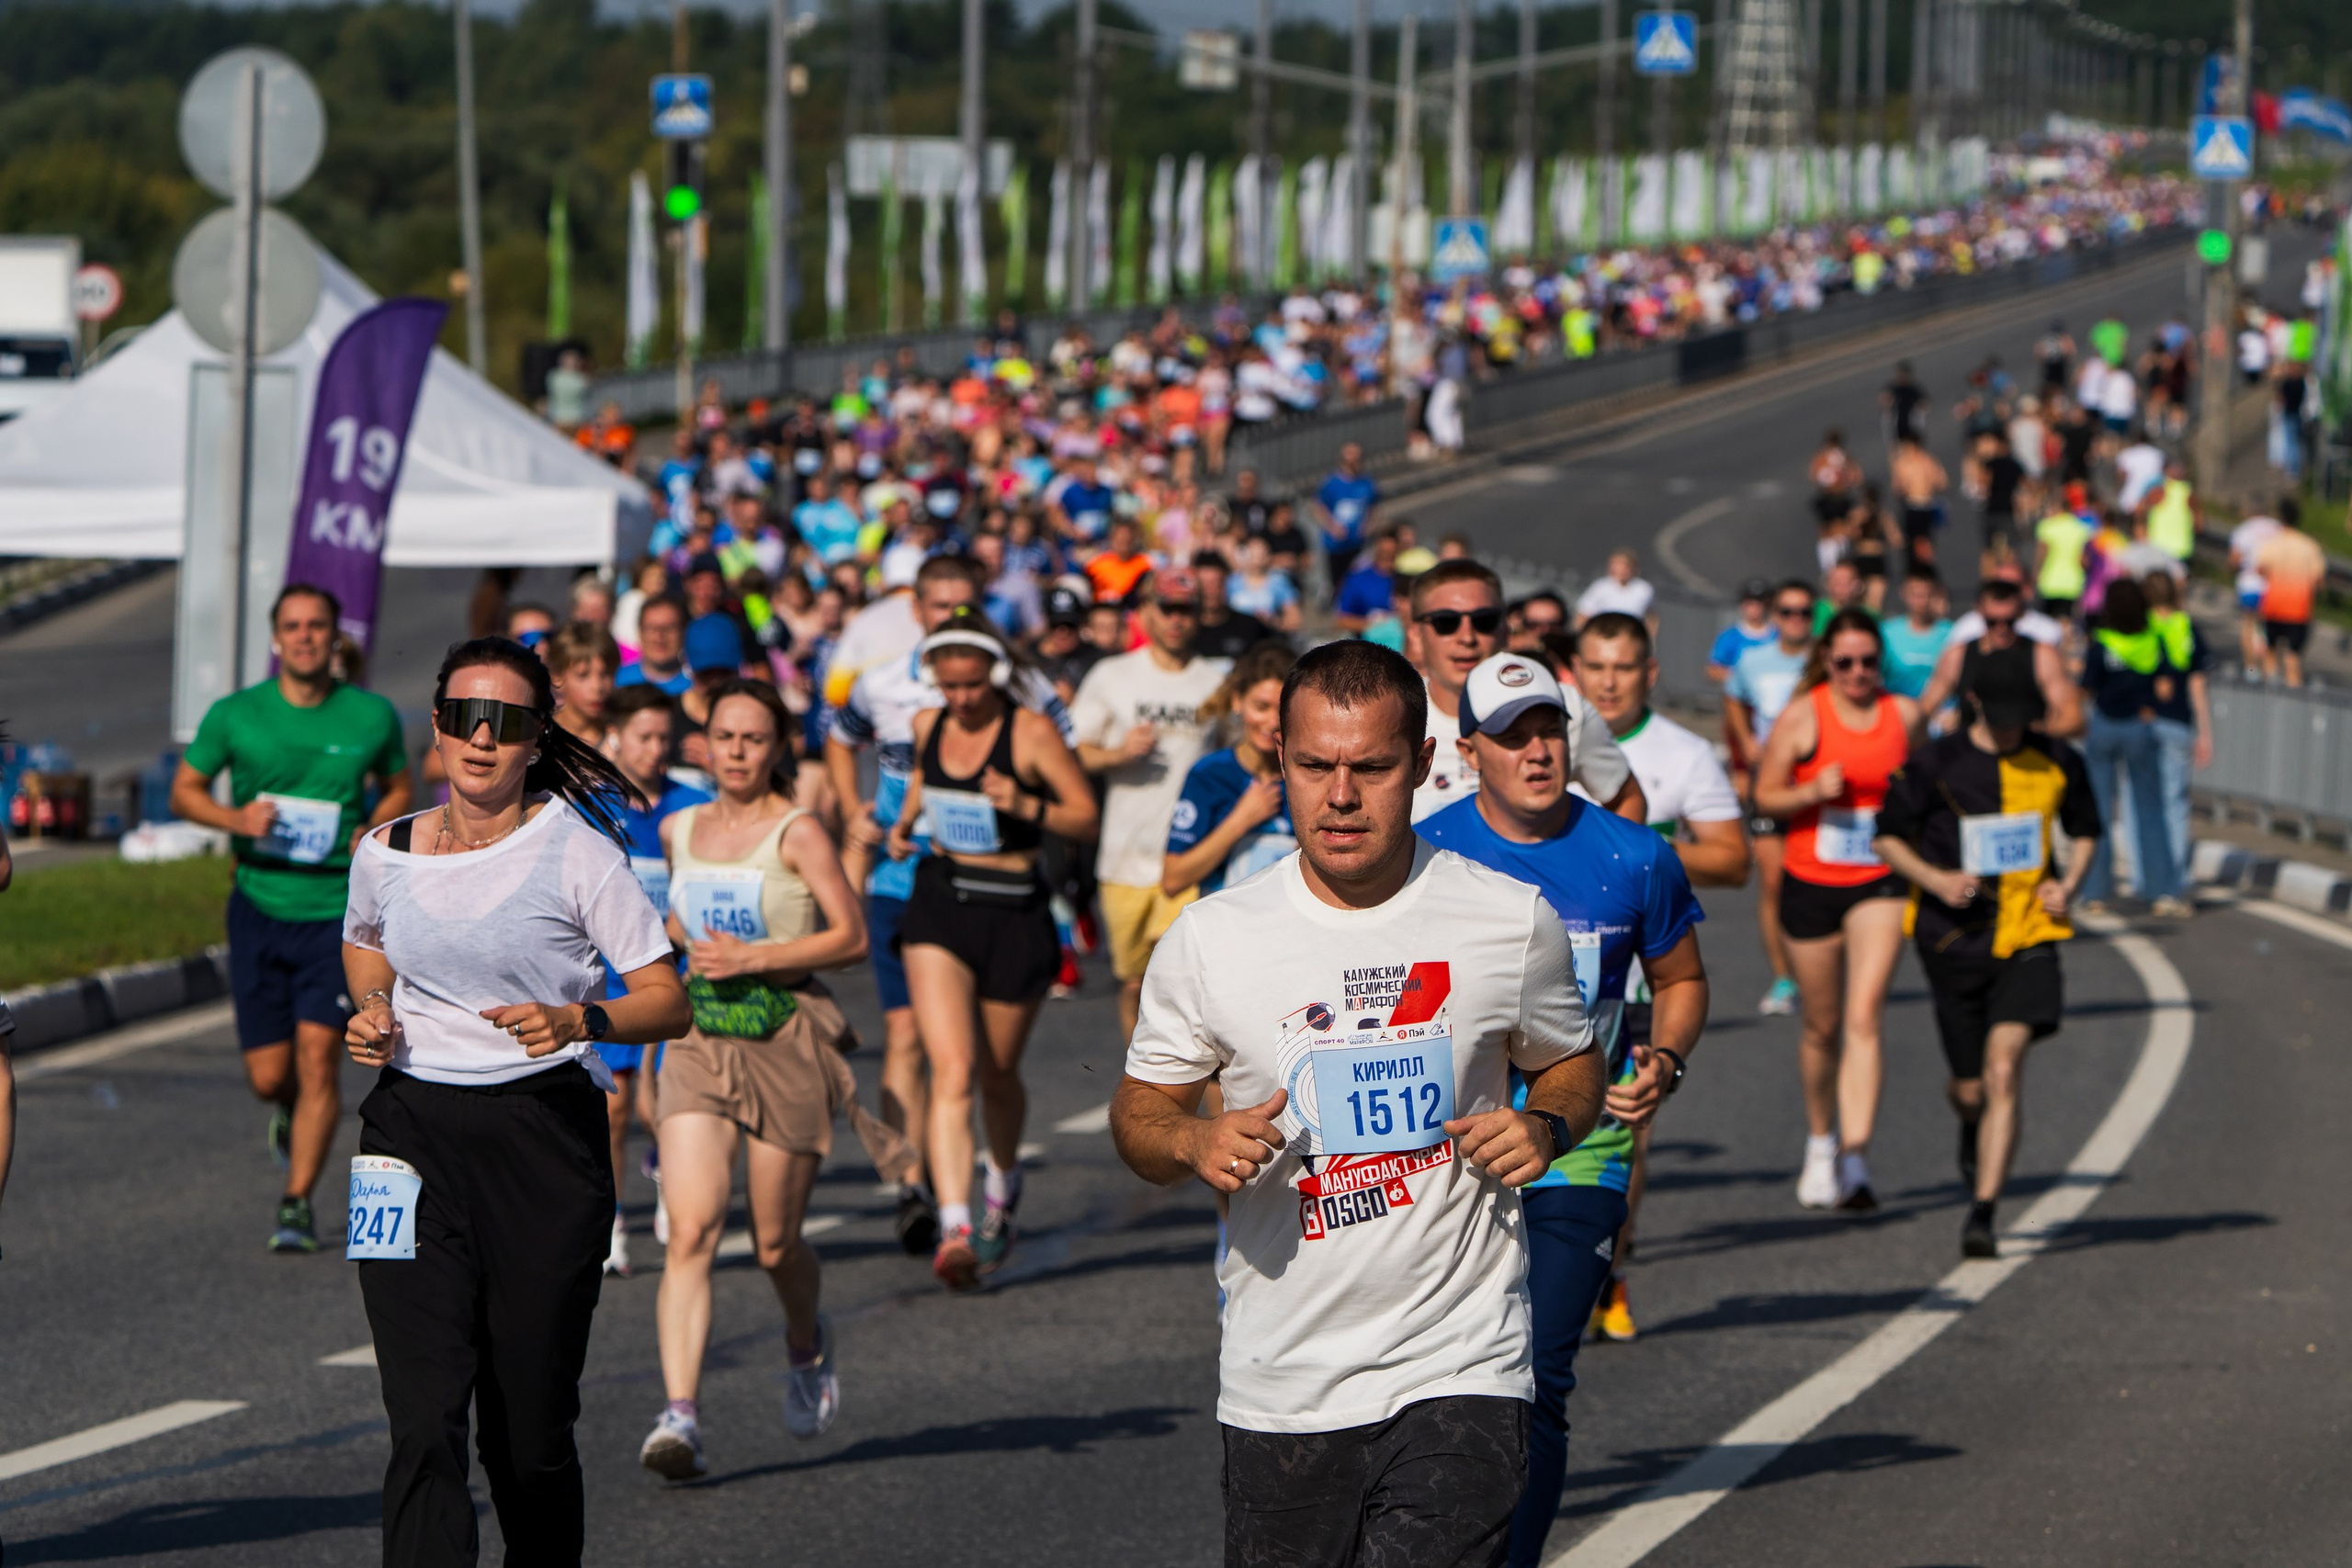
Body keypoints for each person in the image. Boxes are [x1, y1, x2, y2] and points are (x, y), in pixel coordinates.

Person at [1110, 640, 1603, 1567]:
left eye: (1371, 768)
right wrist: (1191, 1139)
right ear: (1281, 760)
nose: (1340, 796)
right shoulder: (1213, 939)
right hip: (1284, 1378)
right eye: (1314, 766)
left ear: (1422, 763)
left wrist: (1546, 1124)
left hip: (1462, 1359)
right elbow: (1140, 1112)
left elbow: (1572, 1061)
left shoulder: (1507, 919)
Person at [341, 637, 689, 1565]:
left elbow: (668, 998)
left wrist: (580, 1018)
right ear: (437, 727)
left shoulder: (578, 854)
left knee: (525, 1436)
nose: (482, 739)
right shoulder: (383, 851)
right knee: (422, 1421)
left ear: (537, 738)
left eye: (506, 723)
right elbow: (366, 940)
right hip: (406, 1133)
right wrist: (372, 1007)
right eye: (465, 718)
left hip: (541, 1139)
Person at [1418, 650, 1709, 1567]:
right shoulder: (1424, 856)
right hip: (1448, 1151)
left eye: (1549, 729)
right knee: (1438, 1382)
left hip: (1580, 1144)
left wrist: (1664, 1059)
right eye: (1512, 736)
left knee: (1537, 1371)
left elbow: (1682, 977)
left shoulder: (1635, 854)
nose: (1537, 751)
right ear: (1471, 751)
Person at [645, 681, 901, 1476]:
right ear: (705, 741)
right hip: (698, 1036)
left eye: (753, 739)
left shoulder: (799, 831)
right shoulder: (679, 827)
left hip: (785, 1036)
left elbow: (851, 936)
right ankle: (680, 1415)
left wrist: (754, 955)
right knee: (691, 1228)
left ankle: (804, 1339)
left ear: (777, 747)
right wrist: (675, 939)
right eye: (725, 736)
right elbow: (677, 920)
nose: (737, 752)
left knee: (773, 1241)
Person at [171, 583, 413, 1252]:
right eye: (294, 626)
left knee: (317, 1058)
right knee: (269, 1076)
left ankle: (297, 1200)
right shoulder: (236, 714)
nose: (306, 636)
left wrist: (375, 823)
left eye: (317, 626)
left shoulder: (370, 715)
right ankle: (285, 1108)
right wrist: (235, 819)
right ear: (276, 639)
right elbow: (185, 791)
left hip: (335, 914)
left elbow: (400, 783)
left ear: (335, 637)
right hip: (259, 905)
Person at [888, 615, 1098, 1289]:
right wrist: (901, 825)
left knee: (997, 1074)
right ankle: (956, 1226)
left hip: (1013, 910)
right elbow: (923, 783)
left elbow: (1084, 815)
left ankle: (1001, 1187)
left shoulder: (1029, 732)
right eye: (948, 685)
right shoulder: (928, 724)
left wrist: (1025, 804)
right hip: (942, 901)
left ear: (996, 675)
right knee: (951, 1070)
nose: (961, 698)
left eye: (972, 684)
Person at [1871, 644, 2100, 1258]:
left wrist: (2068, 885)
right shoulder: (1936, 763)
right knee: (1969, 1087)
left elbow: (2086, 830)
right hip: (1952, 938)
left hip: (2031, 934)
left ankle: (1983, 1211)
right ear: (1973, 701)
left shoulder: (2058, 760)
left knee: (2004, 1070)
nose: (2010, 728)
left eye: (2021, 717)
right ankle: (1971, 1123)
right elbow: (1887, 837)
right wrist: (1936, 879)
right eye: (2000, 717)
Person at [1569, 613, 1749, 1341]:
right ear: (1575, 670)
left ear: (1650, 673)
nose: (1608, 682)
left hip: (1636, 980)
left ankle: (1606, 1267)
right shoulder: (1539, 744)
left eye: (1624, 667)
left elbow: (1733, 859)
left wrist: (1641, 851)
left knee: (1624, 1131)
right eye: (1596, 666)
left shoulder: (1684, 753)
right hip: (1545, 976)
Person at [824, 557, 985, 1252]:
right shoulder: (881, 680)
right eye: (939, 605)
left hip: (973, 881)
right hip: (897, 878)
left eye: (963, 604)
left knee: (963, 1052)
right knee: (906, 1035)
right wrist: (853, 808)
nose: (951, 616)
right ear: (916, 609)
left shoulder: (1000, 681)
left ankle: (965, 1180)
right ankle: (912, 1184)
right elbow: (838, 738)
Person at [1752, 608, 1921, 1211]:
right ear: (1827, 660)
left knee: (1864, 1015)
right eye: (1844, 662)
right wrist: (1810, 791)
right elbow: (1764, 795)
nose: (1857, 673)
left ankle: (1856, 1159)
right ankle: (1821, 1141)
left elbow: (1928, 780)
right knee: (1822, 1027)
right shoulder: (1805, 715)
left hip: (1880, 878)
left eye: (1868, 662)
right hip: (1812, 879)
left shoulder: (1905, 714)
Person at [1072, 568, 1232, 1043]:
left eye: (1186, 610)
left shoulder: (1214, 683)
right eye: (1167, 608)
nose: (1176, 620)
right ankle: (1139, 1076)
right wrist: (1119, 754)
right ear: (1144, 613)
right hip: (1123, 858)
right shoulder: (1112, 675)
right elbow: (1075, 751)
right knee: (1133, 984)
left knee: (1182, 984)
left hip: (1187, 859)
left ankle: (1193, 1082)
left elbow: (1228, 757)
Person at [595, 685, 711, 1277]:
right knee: (612, 1109)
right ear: (615, 737)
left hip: (674, 975)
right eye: (644, 737)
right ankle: (613, 1219)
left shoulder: (694, 804)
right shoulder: (592, 807)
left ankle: (671, 1175)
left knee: (662, 1105)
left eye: (665, 737)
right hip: (609, 979)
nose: (656, 749)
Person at [1407, 558, 1645, 828]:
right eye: (1446, 623)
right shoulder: (1397, 714)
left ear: (1505, 629)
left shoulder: (1564, 706)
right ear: (1415, 635)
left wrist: (1598, 856)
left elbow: (1628, 799)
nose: (1467, 637)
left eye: (1484, 621)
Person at [1722, 581, 1816, 1016]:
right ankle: (1783, 978)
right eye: (1788, 612)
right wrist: (1745, 745)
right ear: (1776, 616)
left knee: (1815, 880)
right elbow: (1733, 699)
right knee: (1774, 884)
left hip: (1815, 781)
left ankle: (1820, 970)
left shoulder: (1826, 660)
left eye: (1804, 612)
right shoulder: (1753, 660)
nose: (1796, 620)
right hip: (1769, 781)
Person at [2078, 580, 2189, 918]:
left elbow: (2087, 688)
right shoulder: (2152, 641)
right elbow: (2166, 689)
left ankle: (2095, 892)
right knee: (2151, 811)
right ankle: (2162, 891)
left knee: (2097, 812)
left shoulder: (2102, 644)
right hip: (2140, 728)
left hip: (2103, 727)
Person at [1162, 642, 1298, 900]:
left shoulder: (1309, 777)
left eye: (1283, 710)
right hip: (1221, 920)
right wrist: (1240, 821)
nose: (1272, 721)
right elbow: (1173, 880)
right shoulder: (1209, 774)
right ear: (1237, 701)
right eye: (1261, 707)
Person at [2143, 571, 2213, 883]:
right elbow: (2198, 685)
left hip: (2142, 724)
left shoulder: (2140, 627)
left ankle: (2148, 874)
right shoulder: (2187, 627)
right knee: (2176, 803)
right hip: (2179, 723)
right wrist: (2205, 733)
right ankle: (2174, 875)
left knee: (2143, 801)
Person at [2256, 498, 2327, 688]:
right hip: (2298, 610)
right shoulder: (2310, 547)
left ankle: (2270, 690)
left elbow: (2260, 570)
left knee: (2270, 652)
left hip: (2272, 607)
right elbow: (2319, 581)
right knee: (2293, 658)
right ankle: (2293, 691)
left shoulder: (2271, 543)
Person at [1313, 441, 1381, 585]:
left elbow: (1373, 508)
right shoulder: (1331, 483)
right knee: (1338, 583)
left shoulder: (1367, 483)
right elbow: (1319, 507)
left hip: (1359, 543)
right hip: (1336, 544)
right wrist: (1332, 526)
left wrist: (1368, 527)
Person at [1192, 547, 1283, 654]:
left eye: (1217, 584)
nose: (1210, 591)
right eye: (1204, 585)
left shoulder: (1250, 628)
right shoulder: (1186, 631)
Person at [1880, 569, 1951, 701]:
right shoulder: (1887, 632)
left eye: (1928, 595)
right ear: (1904, 594)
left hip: (1942, 709)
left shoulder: (1951, 633)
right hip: (1899, 706)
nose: (1922, 602)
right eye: (1916, 595)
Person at [548, 622, 618, 750]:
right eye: (583, 675)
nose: (597, 687)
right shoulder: (540, 738)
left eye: (606, 674)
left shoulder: (622, 738)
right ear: (557, 677)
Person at [1890, 430, 1950, 570]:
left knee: (1926, 541)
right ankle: (1915, 569)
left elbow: (1943, 483)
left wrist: (1930, 481)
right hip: (1912, 505)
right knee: (1912, 543)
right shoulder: (1902, 464)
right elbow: (1896, 489)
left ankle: (1925, 568)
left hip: (1928, 505)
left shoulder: (1928, 461)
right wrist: (1904, 486)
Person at [617, 595, 695, 698]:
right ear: (640, 633)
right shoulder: (618, 682)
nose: (659, 637)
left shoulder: (697, 686)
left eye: (669, 628)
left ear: (683, 632)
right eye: (652, 629)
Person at [1333, 527, 1400, 636]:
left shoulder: (1404, 579)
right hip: (1369, 641)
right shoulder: (1357, 580)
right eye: (1383, 553)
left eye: (1392, 554)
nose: (1388, 560)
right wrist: (1375, 625)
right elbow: (1342, 619)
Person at [1573, 549, 1657, 629]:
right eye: (1617, 565)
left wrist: (1649, 637)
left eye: (1625, 565)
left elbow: (1651, 617)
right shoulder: (1600, 587)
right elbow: (1583, 614)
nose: (1621, 569)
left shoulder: (1644, 589)